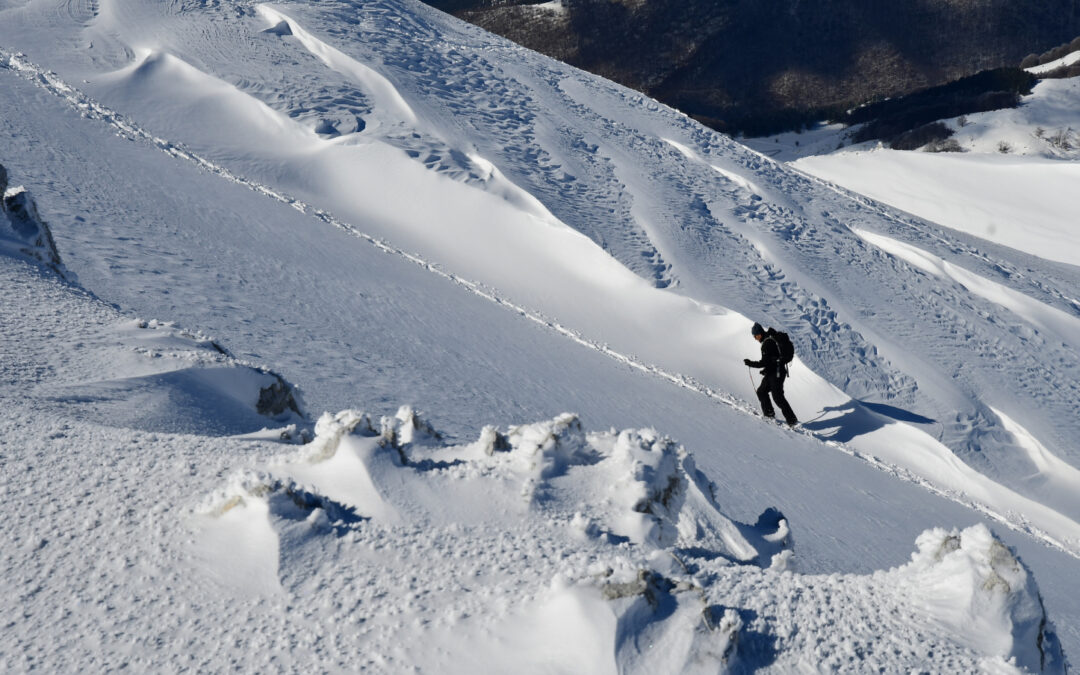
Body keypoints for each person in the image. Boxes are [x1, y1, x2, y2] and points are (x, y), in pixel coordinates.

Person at [743, 322, 798, 426]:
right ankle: (769, 414)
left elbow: (764, 362)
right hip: (773, 371)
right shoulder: (769, 340)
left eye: (755, 336)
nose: (755, 338)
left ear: (759, 334)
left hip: (777, 373)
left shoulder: (767, 343)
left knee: (777, 397)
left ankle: (792, 420)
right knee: (761, 391)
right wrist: (766, 370)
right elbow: (771, 360)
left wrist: (750, 363)